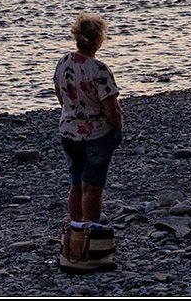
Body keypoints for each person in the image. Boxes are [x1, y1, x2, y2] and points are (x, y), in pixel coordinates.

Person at [54, 12, 123, 227]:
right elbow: (111, 108)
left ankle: (75, 228)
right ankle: (90, 231)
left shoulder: (64, 61)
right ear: (99, 40)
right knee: (92, 186)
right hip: (96, 134)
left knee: (76, 183)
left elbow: (60, 96)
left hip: (68, 131)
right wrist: (118, 129)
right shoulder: (99, 70)